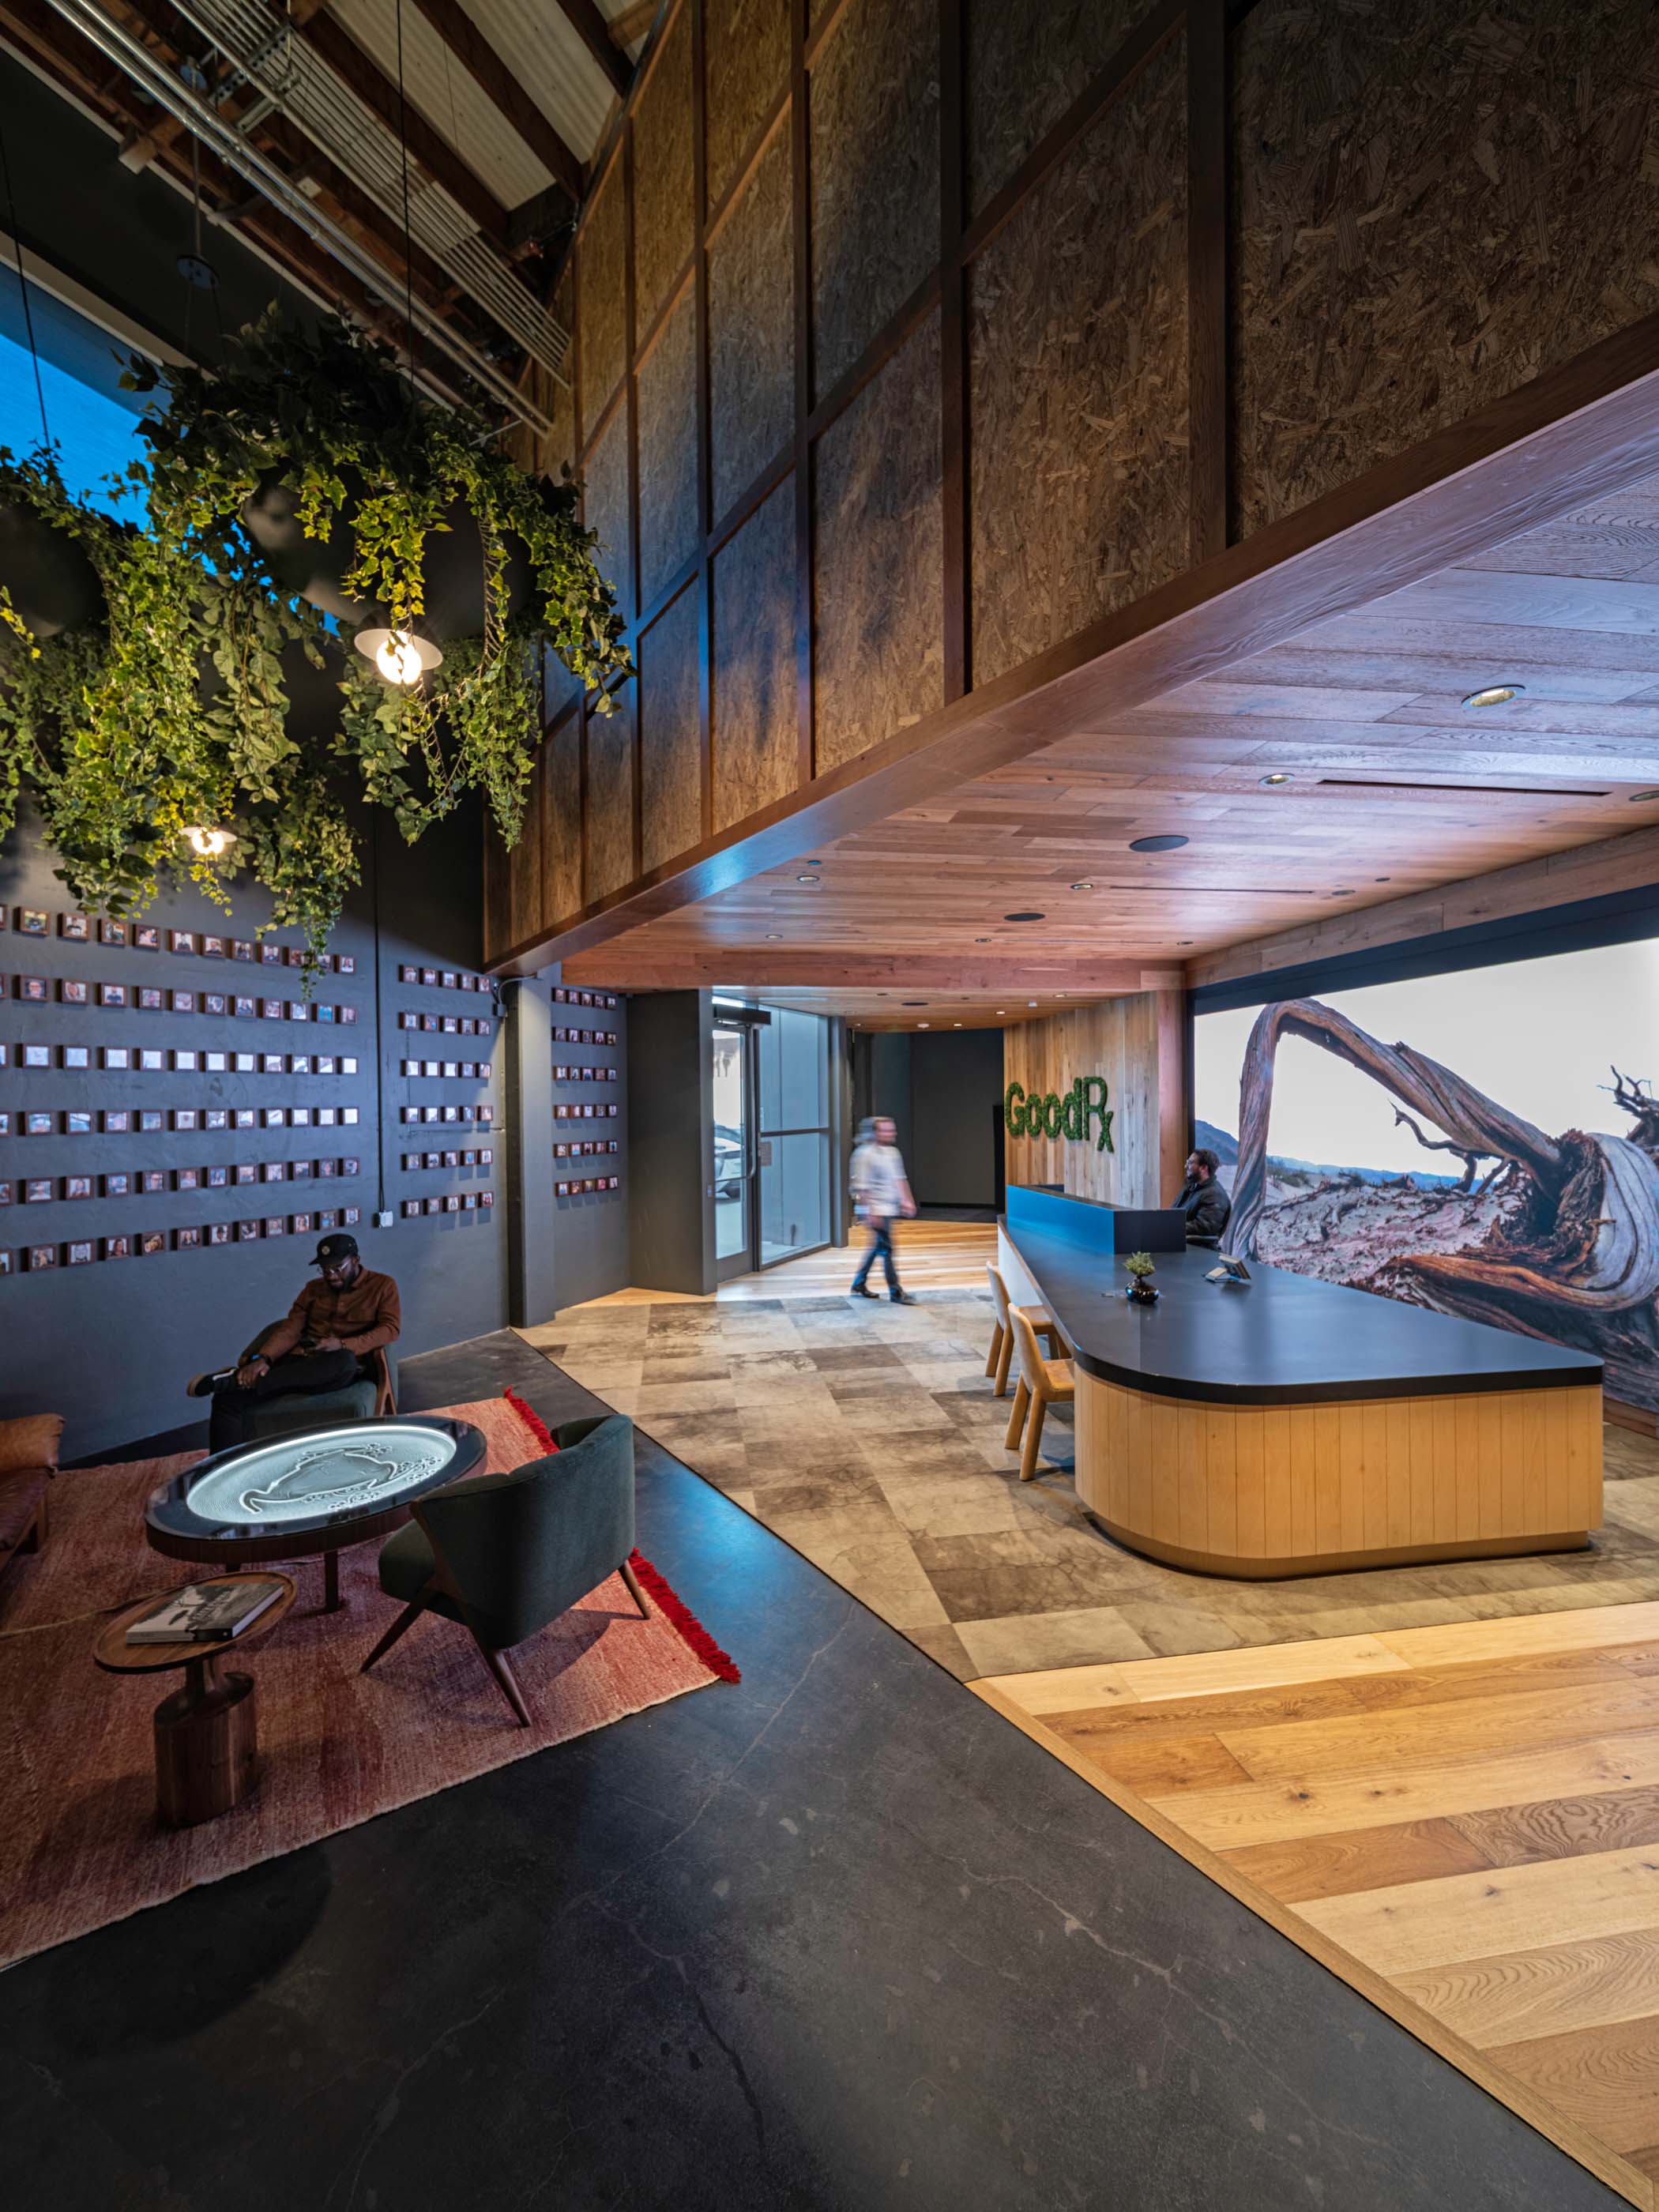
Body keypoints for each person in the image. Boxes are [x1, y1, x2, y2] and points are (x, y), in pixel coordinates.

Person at [187, 1232, 402, 1450]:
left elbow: (390, 1329)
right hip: (300, 1361)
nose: (331, 1276)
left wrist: (343, 1345)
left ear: (355, 1260)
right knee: (226, 1399)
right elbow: (291, 1329)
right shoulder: (312, 1289)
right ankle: (219, 1470)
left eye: (338, 1268)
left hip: (340, 1365)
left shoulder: (382, 1286)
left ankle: (240, 1379)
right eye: (325, 1270)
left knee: (343, 1361)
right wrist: (263, 1359)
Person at [849, 1115, 918, 1304]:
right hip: (876, 1210)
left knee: (878, 1247)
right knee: (887, 1249)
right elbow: (862, 1188)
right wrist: (869, 1212)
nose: (892, 1133)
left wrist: (907, 1201)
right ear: (874, 1132)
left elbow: (900, 1179)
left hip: (889, 1208)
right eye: (887, 1130)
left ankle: (859, 1283)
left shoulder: (893, 1153)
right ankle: (895, 1292)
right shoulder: (864, 1155)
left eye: (892, 1129)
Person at [1172, 1147, 1232, 1242]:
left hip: (1196, 1249)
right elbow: (1174, 1213)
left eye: (1190, 1163)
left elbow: (1203, 1228)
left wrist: (1169, 1228)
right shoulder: (1191, 1187)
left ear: (1204, 1168)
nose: (1186, 1166)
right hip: (1179, 1242)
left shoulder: (1215, 1195)